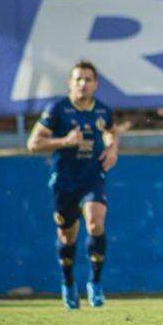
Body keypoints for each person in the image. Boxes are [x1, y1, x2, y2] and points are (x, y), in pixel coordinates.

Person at [26, 60, 119, 309]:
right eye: (78, 79)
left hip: (92, 177)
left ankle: (95, 283)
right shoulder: (57, 109)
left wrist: (112, 149)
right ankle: (68, 283)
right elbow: (33, 144)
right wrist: (64, 141)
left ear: (95, 84)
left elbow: (112, 131)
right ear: (70, 83)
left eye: (88, 79)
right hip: (65, 182)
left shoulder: (103, 110)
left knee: (95, 222)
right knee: (67, 237)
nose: (83, 84)